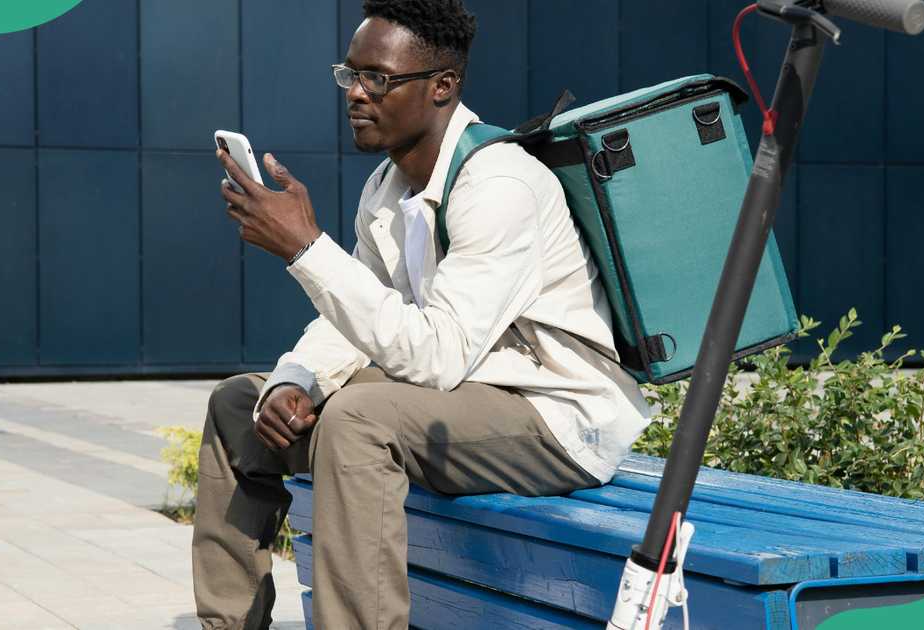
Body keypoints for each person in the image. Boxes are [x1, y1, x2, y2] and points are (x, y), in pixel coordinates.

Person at [192, 0, 651, 627]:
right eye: (349, 74)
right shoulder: (387, 187)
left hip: (555, 415)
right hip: (466, 393)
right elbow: (352, 324)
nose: (356, 93)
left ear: (442, 86)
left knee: (357, 419)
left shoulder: (499, 185)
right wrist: (296, 379)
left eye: (377, 78)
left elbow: (437, 356)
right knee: (239, 408)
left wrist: (305, 248)